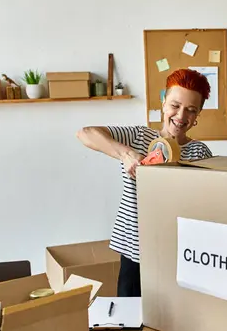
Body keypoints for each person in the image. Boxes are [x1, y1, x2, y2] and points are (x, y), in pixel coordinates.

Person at [76, 69, 213, 297]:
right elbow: (85, 133)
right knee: (131, 318)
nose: (181, 116)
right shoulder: (139, 137)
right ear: (163, 103)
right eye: (175, 105)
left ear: (197, 115)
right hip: (133, 251)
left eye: (191, 110)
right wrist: (125, 153)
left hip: (177, 253)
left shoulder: (200, 151)